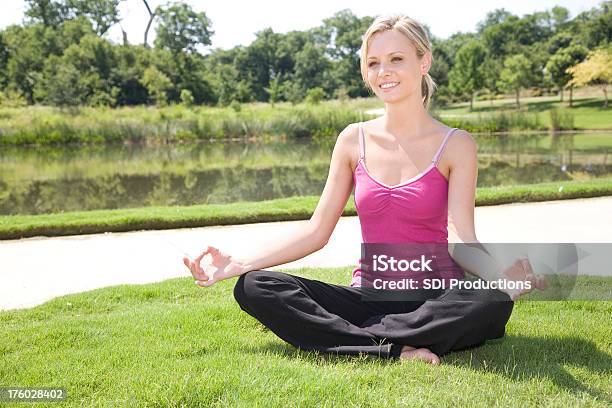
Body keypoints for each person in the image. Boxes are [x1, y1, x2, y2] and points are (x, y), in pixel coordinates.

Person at [183, 14, 542, 364]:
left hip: (437, 295)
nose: (383, 71)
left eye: (396, 59)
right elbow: (316, 231)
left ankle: (357, 338)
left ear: (424, 61)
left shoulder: (457, 144)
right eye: (373, 62)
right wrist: (239, 263)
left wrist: (498, 275)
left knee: (492, 299)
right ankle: (394, 345)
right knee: (255, 287)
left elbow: (460, 237)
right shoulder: (353, 140)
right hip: (368, 295)